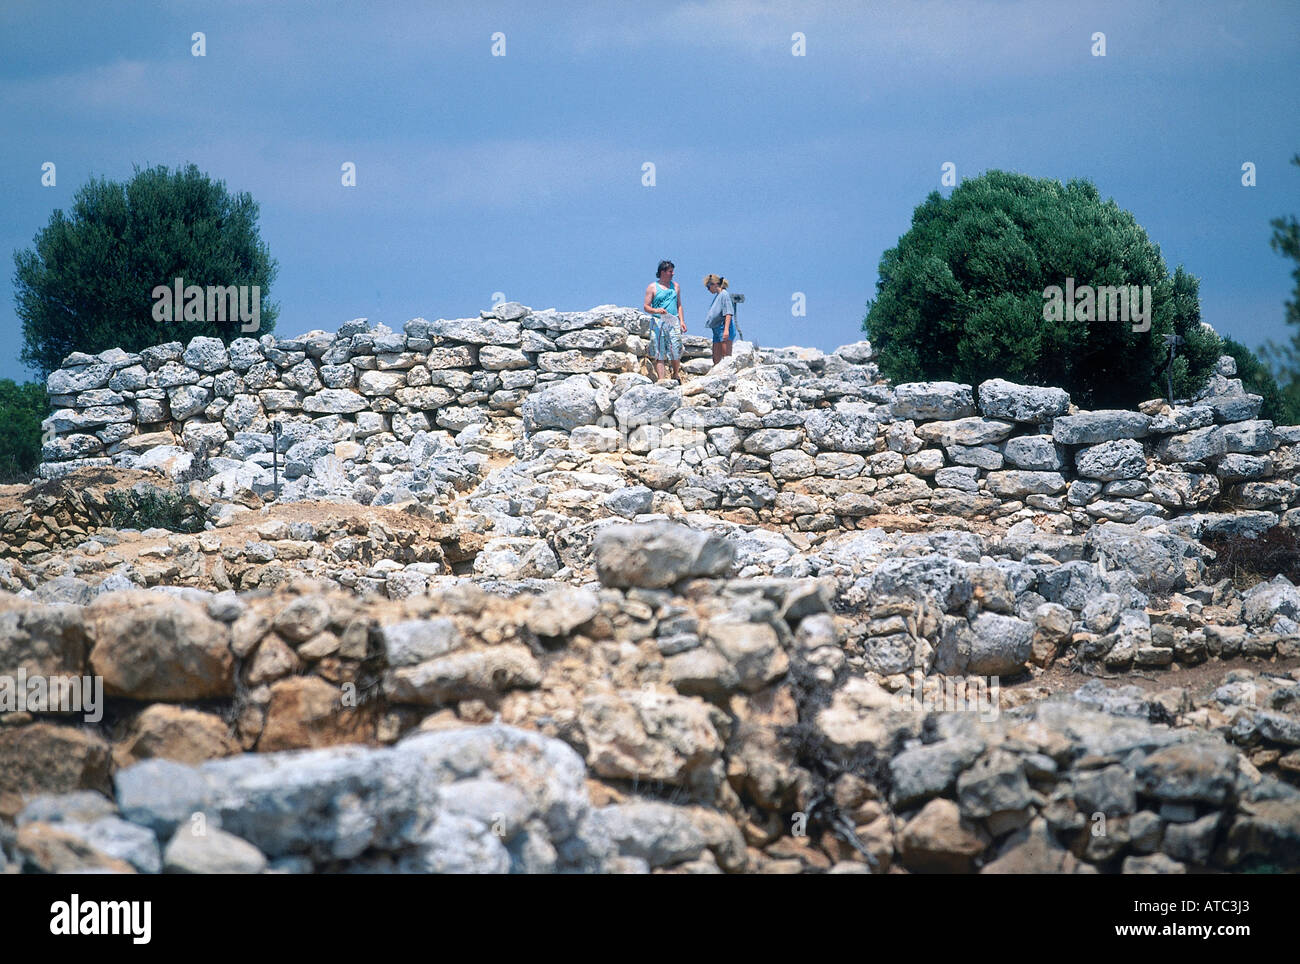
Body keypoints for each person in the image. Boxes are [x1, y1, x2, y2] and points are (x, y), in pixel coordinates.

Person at [643, 260, 686, 381]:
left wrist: (682, 321)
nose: (672, 274)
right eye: (670, 271)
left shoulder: (676, 286)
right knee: (659, 350)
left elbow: (679, 305)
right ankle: (661, 379)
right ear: (663, 272)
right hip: (658, 321)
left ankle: (675, 374)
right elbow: (646, 306)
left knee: (676, 348)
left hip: (672, 320)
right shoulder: (652, 287)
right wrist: (656, 311)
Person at [703, 273, 735, 365]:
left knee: (726, 357)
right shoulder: (718, 296)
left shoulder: (724, 294)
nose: (708, 289)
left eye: (708, 287)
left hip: (723, 327)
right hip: (716, 329)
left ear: (715, 284)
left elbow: (728, 312)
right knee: (716, 358)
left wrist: (726, 330)